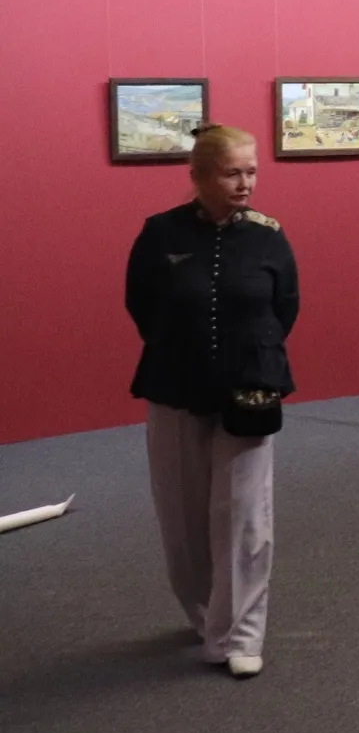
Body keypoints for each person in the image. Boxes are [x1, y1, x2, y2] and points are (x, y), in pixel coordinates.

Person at [124, 124, 298, 678]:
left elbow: (285, 307)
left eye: (251, 172)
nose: (245, 183)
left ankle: (240, 634)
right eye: (231, 173)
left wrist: (249, 354)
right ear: (197, 175)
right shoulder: (160, 234)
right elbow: (141, 304)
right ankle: (205, 618)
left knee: (245, 517)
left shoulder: (269, 237)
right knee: (183, 518)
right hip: (175, 388)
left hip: (249, 390)